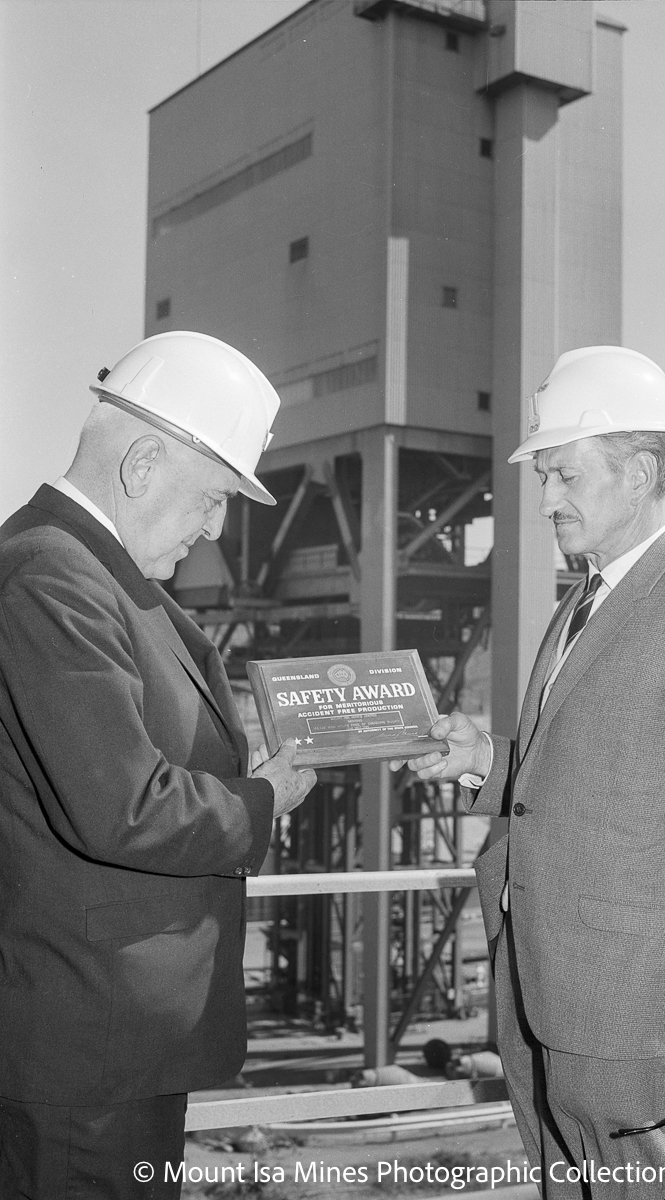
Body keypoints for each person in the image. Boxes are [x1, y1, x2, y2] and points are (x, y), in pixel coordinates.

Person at [396, 346, 665, 1199]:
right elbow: (584, 783)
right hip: (541, 990)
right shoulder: (580, 604)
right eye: (544, 476)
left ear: (644, 470)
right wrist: (487, 764)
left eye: (566, 475)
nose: (545, 499)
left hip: (632, 1022)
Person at [0, 332, 317, 1199]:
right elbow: (124, 805)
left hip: (113, 1046)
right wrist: (264, 800)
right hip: (84, 1062)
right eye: (214, 496)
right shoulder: (48, 578)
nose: (217, 526)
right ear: (142, 465)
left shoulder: (92, 576)